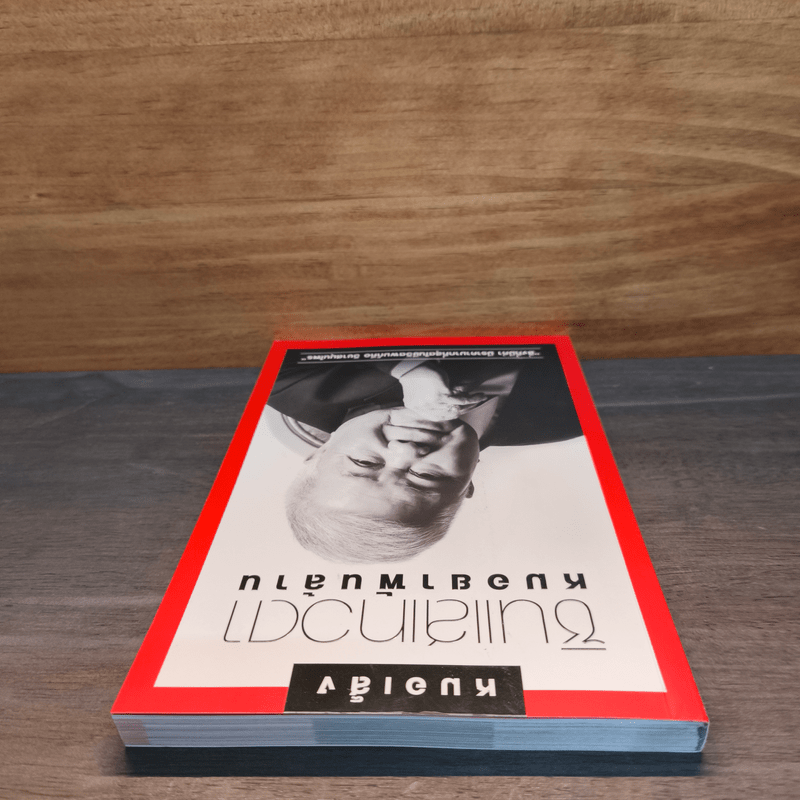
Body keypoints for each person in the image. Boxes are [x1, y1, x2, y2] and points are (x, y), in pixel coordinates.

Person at [270, 354, 583, 563]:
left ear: (320, 451)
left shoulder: (283, 378)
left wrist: (406, 366)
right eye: (426, 476)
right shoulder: (570, 417)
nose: (406, 451)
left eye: (364, 463)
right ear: (468, 484)